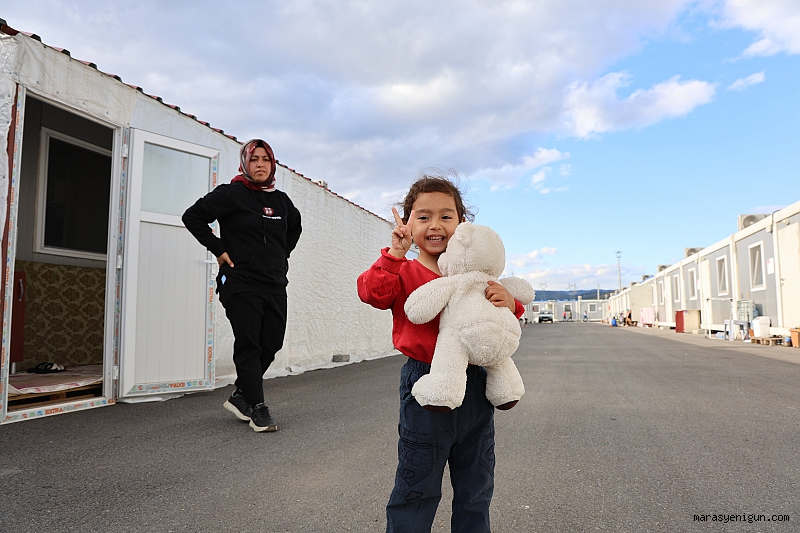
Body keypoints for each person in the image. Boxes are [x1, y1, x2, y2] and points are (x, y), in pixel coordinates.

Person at [358, 174, 524, 533]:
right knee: (416, 485)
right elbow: (373, 293)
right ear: (408, 224)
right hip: (426, 381)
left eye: (446, 216)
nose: (435, 225)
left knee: (476, 486)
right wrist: (395, 254)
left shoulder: (479, 275)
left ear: (462, 224)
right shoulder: (404, 270)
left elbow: (503, 313)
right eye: (423, 217)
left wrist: (511, 303)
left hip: (477, 385)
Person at [182, 139, 302, 433]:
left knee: (271, 342)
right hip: (240, 282)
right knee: (249, 343)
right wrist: (219, 249)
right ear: (245, 163)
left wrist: (280, 255)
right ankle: (257, 407)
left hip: (274, 282)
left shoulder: (282, 201)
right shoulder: (232, 193)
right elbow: (192, 216)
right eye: (254, 159)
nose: (260, 164)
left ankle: (241, 394)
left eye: (266, 159)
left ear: (273, 164)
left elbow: (295, 227)